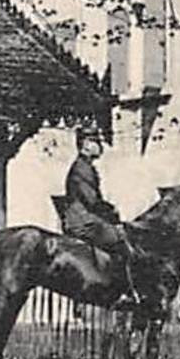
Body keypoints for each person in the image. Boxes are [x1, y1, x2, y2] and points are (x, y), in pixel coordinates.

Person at [60, 122, 137, 305]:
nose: (99, 145)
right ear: (85, 144)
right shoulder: (81, 169)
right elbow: (92, 201)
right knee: (121, 240)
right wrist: (112, 212)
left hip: (87, 218)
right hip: (82, 221)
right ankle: (121, 292)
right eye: (95, 141)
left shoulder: (85, 167)